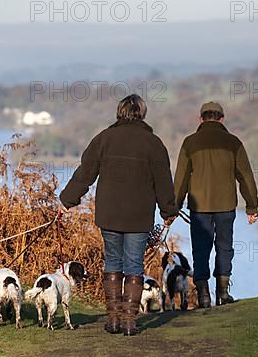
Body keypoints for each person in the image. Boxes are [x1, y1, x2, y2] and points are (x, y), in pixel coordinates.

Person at [60, 94, 177, 336]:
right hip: (138, 215)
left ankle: (113, 319)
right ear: (142, 114)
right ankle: (130, 322)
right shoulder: (153, 143)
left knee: (112, 262)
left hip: (110, 213)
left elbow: (86, 172)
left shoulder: (105, 138)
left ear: (119, 113)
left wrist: (67, 200)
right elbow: (163, 180)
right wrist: (168, 210)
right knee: (134, 264)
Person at [174, 102, 258, 308]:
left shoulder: (190, 143)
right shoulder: (233, 143)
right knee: (224, 248)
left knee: (200, 250)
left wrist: (173, 207)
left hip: (199, 206)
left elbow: (181, 178)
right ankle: (223, 292)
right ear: (222, 118)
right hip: (225, 205)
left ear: (200, 118)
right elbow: (245, 176)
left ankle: (203, 294)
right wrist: (252, 206)